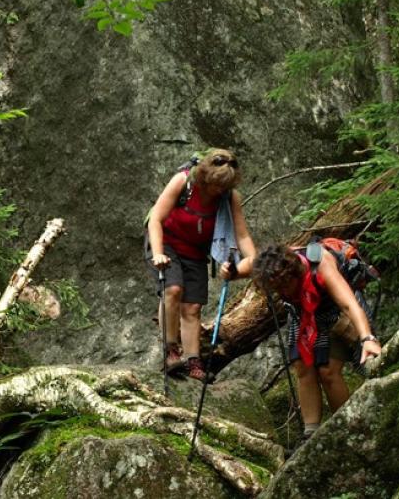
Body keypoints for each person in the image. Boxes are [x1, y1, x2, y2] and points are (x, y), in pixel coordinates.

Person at [146, 149, 257, 381]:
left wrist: (254, 261)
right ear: (205, 176)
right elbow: (155, 218)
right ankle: (170, 351)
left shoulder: (229, 196)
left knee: (193, 307)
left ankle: (193, 360)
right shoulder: (183, 181)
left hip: (194, 251)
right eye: (214, 186)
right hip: (165, 243)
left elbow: (242, 235)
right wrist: (157, 254)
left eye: (223, 188)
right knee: (173, 290)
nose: (217, 192)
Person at [253, 244, 381, 438]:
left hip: (336, 312)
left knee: (328, 370)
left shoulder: (320, 264)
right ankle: (311, 434)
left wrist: (367, 338)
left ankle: (349, 429)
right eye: (277, 289)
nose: (283, 293)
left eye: (284, 286)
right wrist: (232, 271)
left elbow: (349, 305)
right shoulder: (271, 270)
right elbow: (248, 265)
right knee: (302, 366)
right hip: (304, 314)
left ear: (294, 274)